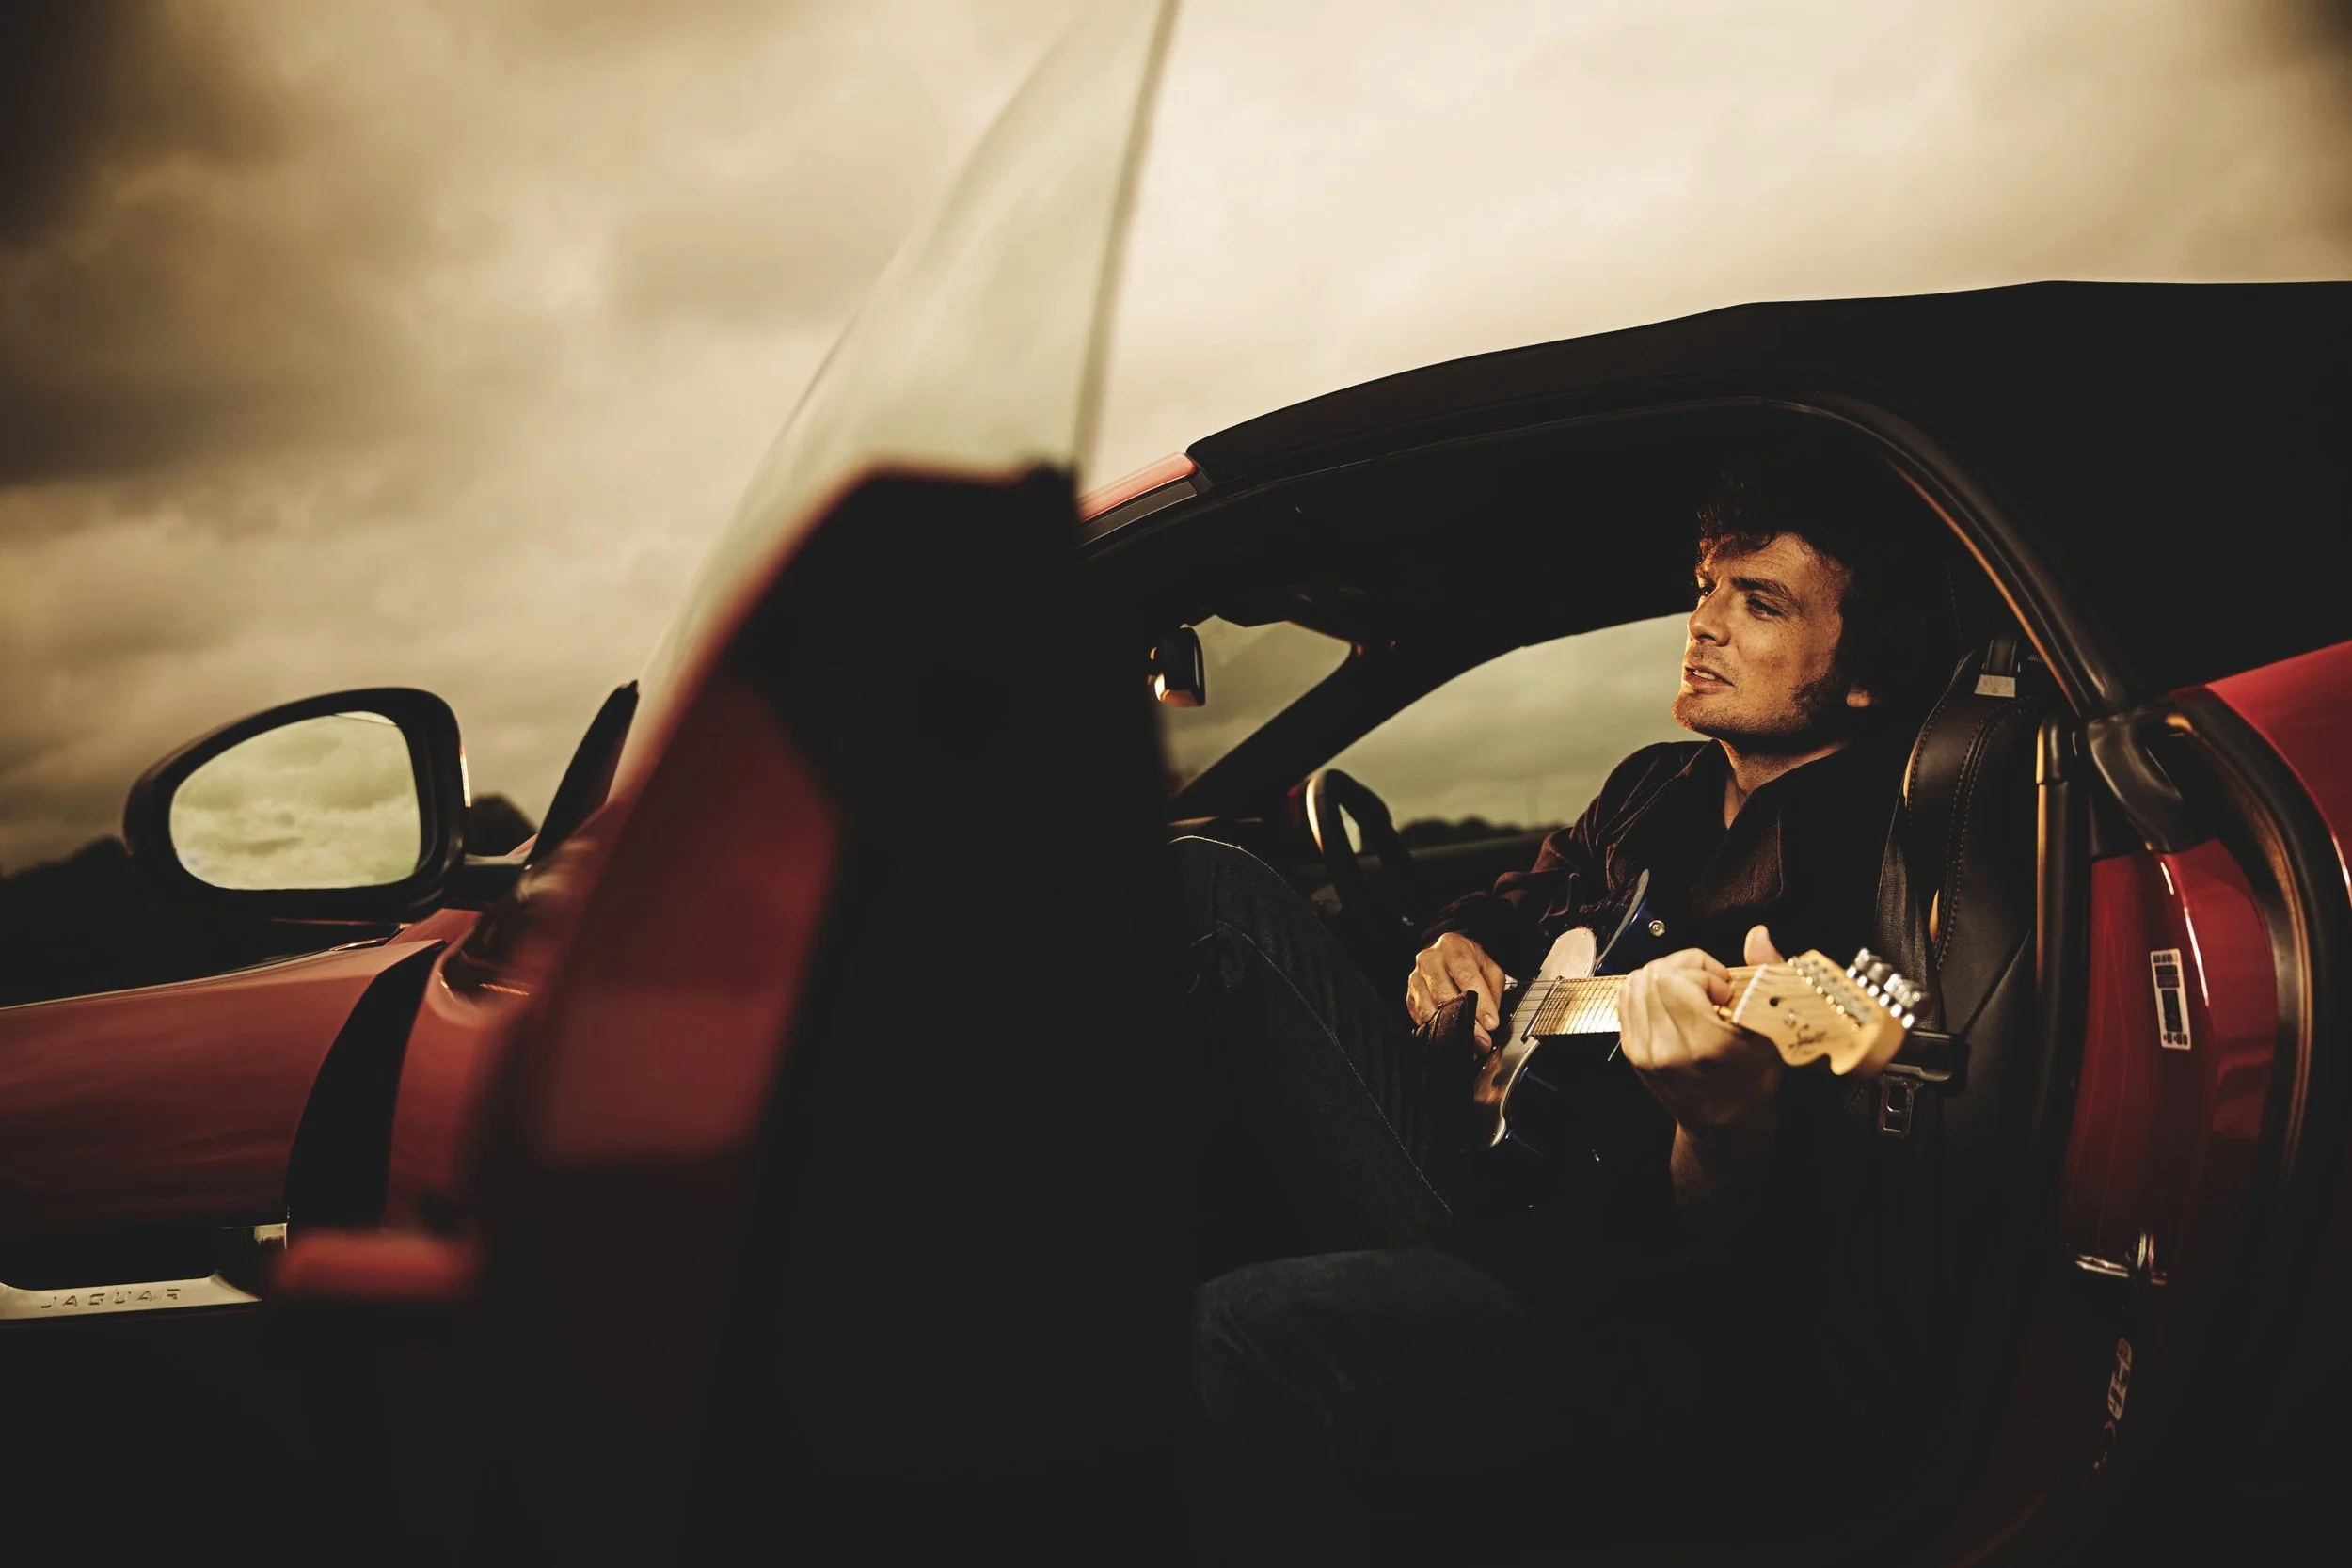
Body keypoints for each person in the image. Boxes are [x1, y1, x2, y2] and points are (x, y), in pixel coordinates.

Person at [1179, 440, 1961, 1556]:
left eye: (1760, 603)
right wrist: (1455, 940)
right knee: (1209, 882)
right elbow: (1527, 895)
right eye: (1705, 590)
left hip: (1592, 1285)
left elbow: (1725, 1253)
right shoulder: (1653, 783)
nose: (1702, 625)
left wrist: (1720, 1119)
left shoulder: (1862, 875)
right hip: (1480, 1159)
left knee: (1223, 1331)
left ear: (1865, 667)